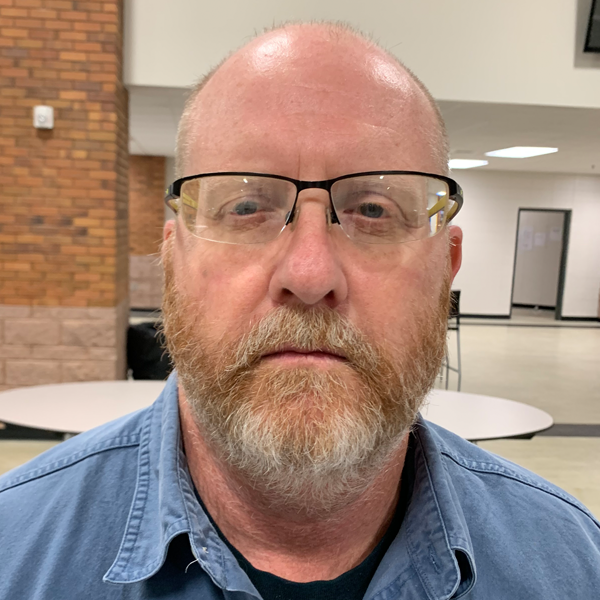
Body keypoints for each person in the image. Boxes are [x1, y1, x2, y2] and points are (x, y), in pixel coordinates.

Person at [1, 22, 599, 600]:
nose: (310, 276)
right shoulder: (13, 555)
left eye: (373, 210)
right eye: (245, 208)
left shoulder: (577, 569)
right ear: (172, 260)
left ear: (448, 265)